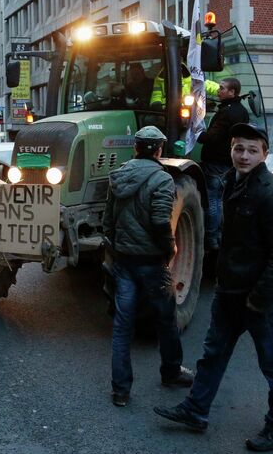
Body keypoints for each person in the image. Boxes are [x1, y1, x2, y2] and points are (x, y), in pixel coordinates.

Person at [154, 123, 273, 452]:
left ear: (264, 154)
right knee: (213, 355)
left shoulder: (272, 193)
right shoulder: (232, 181)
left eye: (251, 150)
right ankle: (195, 410)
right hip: (230, 291)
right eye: (238, 148)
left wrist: (259, 298)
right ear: (230, 150)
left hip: (259, 299)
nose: (243, 155)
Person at [102, 125, 194, 407]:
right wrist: (170, 249)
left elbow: (108, 221)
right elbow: (159, 222)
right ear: (159, 150)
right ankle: (171, 372)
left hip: (124, 261)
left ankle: (121, 391)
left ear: (135, 148)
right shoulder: (162, 179)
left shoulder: (117, 176)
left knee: (122, 327)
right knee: (166, 319)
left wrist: (117, 250)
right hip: (153, 263)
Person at [197, 78, 250, 252]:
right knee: (221, 200)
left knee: (212, 200)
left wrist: (197, 133)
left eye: (222, 88)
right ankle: (219, 235)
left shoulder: (226, 112)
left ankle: (211, 236)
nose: (218, 91)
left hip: (216, 162)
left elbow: (213, 137)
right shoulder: (242, 111)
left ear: (232, 92)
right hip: (229, 162)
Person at [149, 63, 219, 110]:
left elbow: (207, 85)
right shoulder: (160, 80)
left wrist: (219, 90)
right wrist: (156, 104)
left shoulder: (192, 79)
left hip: (191, 110)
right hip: (167, 110)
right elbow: (156, 95)